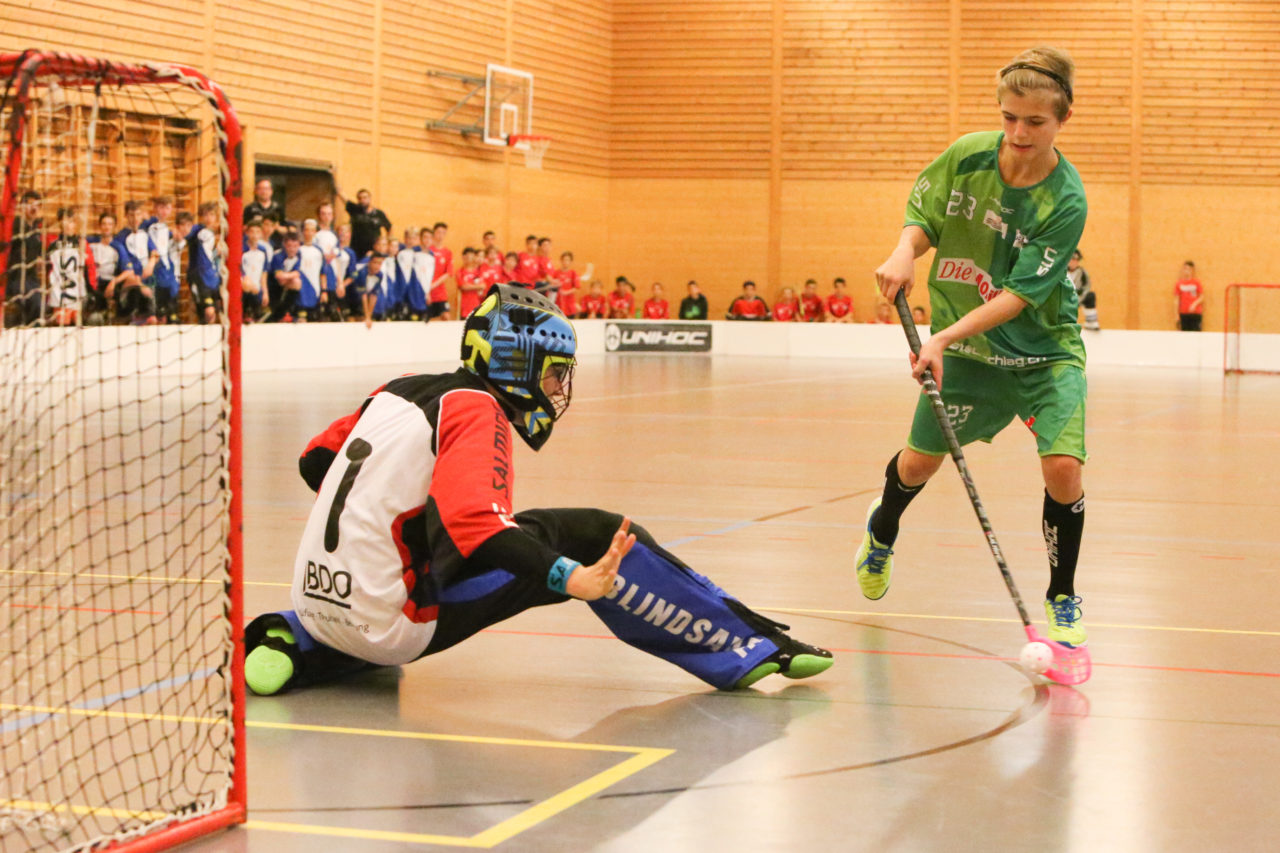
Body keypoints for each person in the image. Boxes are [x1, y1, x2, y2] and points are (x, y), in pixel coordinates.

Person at [240, 284, 833, 696]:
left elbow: (314, 460)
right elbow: (476, 524)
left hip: (318, 604)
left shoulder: (402, 386)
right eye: (552, 371)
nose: (557, 386)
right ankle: (749, 647)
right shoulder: (477, 409)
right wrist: (571, 578)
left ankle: (291, 643)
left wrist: (396, 528)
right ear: (516, 363)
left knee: (472, 537)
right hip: (395, 622)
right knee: (590, 534)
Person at [858, 46, 1090, 649]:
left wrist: (940, 337)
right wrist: (906, 248)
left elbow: (1017, 296)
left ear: (1062, 120)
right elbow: (925, 215)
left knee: (1063, 468)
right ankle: (881, 533)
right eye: (1010, 116)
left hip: (1044, 352)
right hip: (970, 356)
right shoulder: (967, 155)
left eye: (1035, 122)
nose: (1017, 133)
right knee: (916, 465)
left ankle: (1062, 593)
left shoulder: (1064, 201)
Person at [110, 199, 158, 325]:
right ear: (126, 216)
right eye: (131, 215)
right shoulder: (120, 238)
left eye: (138, 214)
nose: (135, 218)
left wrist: (151, 263)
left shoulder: (144, 234)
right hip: (132, 287)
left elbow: (154, 252)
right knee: (135, 319)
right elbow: (126, 270)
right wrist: (140, 285)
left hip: (147, 283)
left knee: (152, 320)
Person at [45, 207, 94, 326]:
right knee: (63, 323)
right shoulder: (52, 245)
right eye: (64, 221)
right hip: (59, 294)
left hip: (77, 293)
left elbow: (90, 268)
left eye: (71, 221)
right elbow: (48, 271)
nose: (67, 225)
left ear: (75, 224)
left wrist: (91, 290)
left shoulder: (81, 243)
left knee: (77, 324)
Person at [142, 196, 180, 324]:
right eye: (161, 207)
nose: (164, 211)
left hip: (166, 270)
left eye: (167, 208)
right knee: (156, 310)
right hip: (154, 270)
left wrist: (171, 234)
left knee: (165, 311)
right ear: (155, 208)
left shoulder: (165, 227)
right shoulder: (150, 224)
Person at [186, 202, 223, 324]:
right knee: (208, 311)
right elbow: (186, 235)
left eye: (212, 215)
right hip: (198, 278)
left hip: (213, 277)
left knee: (217, 307)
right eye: (205, 215)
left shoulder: (218, 235)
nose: (208, 218)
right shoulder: (197, 230)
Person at [335, 184, 391, 259]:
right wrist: (338, 190)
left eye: (365, 197)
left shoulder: (379, 213)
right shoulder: (355, 210)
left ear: (370, 198)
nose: (362, 200)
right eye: (360, 198)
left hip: (374, 251)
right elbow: (345, 199)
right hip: (356, 250)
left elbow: (389, 227)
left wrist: (387, 245)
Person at [85, 210, 119, 324]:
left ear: (114, 227)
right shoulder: (91, 241)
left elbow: (128, 270)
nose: (106, 227)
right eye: (104, 224)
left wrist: (113, 282)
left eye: (110, 224)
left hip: (108, 282)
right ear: (100, 226)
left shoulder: (118, 247)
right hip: (91, 282)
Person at [242, 219, 270, 322]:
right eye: (252, 232)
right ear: (247, 233)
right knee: (248, 285)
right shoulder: (242, 249)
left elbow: (264, 272)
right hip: (245, 286)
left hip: (257, 287)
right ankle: (248, 311)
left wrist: (265, 292)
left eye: (257, 232)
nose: (254, 235)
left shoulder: (263, 250)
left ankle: (257, 312)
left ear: (261, 234)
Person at [426, 223, 453, 321]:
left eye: (443, 233)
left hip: (440, 293)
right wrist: (428, 287)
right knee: (426, 320)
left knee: (446, 316)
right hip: (427, 291)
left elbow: (448, 273)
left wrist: (434, 284)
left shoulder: (447, 252)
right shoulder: (428, 250)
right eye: (438, 232)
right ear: (434, 233)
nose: (441, 235)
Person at [1068, 250, 1098, 330]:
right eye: (1072, 259)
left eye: (1077, 260)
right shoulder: (1062, 271)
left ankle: (1091, 321)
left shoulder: (1082, 272)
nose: (1074, 262)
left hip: (1078, 296)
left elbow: (1087, 286)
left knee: (1090, 296)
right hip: (1065, 297)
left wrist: (1080, 297)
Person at [549, 251, 580, 318]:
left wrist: (566, 292)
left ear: (571, 262)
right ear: (561, 261)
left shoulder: (573, 273)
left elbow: (576, 288)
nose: (565, 262)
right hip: (558, 304)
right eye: (564, 260)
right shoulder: (556, 273)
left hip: (569, 305)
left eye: (567, 260)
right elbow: (551, 286)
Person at [456, 247, 485, 318]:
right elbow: (463, 287)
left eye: (472, 256)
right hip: (464, 308)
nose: (470, 259)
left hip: (476, 306)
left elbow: (483, 286)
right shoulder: (460, 272)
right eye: (468, 256)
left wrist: (469, 286)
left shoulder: (478, 272)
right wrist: (475, 286)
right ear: (464, 257)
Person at [1174, 261, 1203, 331]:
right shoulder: (1179, 284)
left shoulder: (1196, 283)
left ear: (1192, 270)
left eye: (1189, 269)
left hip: (1195, 314)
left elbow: (1202, 297)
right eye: (1185, 269)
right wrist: (1176, 314)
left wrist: (1194, 304)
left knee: (1196, 336)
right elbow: (1176, 300)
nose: (1186, 271)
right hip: (1183, 313)